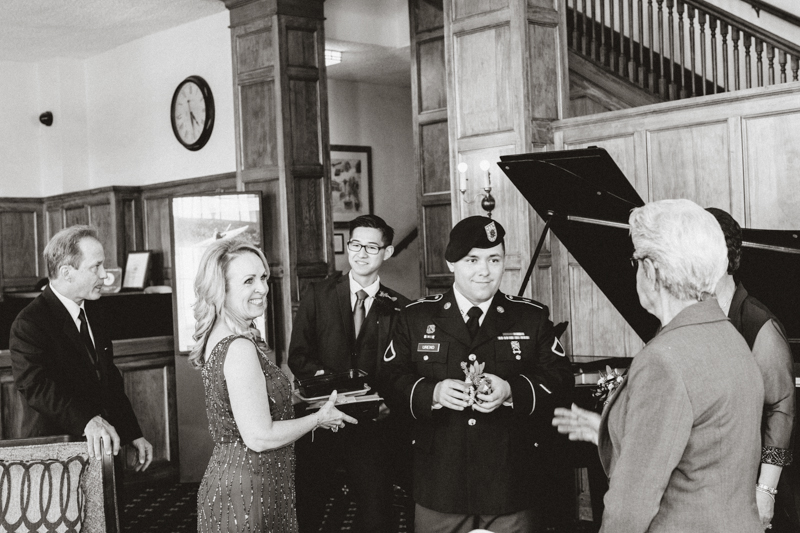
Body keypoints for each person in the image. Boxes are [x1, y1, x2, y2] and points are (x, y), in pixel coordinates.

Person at [553, 199, 765, 533]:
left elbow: (630, 505)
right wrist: (611, 432)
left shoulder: (663, 360)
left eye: (636, 260)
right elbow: (704, 450)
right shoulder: (730, 337)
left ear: (651, 271)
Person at [379, 215, 573, 533]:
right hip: (440, 485)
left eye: (493, 259)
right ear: (452, 262)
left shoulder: (530, 316)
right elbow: (389, 378)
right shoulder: (416, 317)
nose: (484, 270)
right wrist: (433, 393)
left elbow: (561, 378)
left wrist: (512, 391)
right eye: (473, 259)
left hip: (510, 485)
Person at [192, 237, 357, 532]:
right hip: (249, 489)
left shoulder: (224, 336)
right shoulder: (238, 347)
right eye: (248, 281)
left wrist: (303, 403)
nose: (262, 288)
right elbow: (259, 437)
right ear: (222, 289)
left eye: (264, 277)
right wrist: (319, 418)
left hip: (245, 480)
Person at [288, 214, 411, 533]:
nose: (361, 252)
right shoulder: (317, 294)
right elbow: (298, 356)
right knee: (307, 511)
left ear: (388, 252)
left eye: (372, 246)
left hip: (372, 430)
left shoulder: (401, 308)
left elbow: (405, 370)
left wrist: (388, 401)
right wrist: (335, 389)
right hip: (319, 425)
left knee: (376, 514)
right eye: (355, 244)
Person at [10, 225, 153, 468]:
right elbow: (37, 388)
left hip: (104, 449)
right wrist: (88, 421)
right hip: (57, 456)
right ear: (67, 272)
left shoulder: (96, 311)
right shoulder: (29, 323)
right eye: (96, 266)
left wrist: (132, 433)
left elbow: (108, 378)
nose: (104, 275)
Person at [707, 207, 798, 532]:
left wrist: (766, 490)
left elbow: (781, 408)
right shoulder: (697, 316)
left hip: (757, 480)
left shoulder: (759, 323)